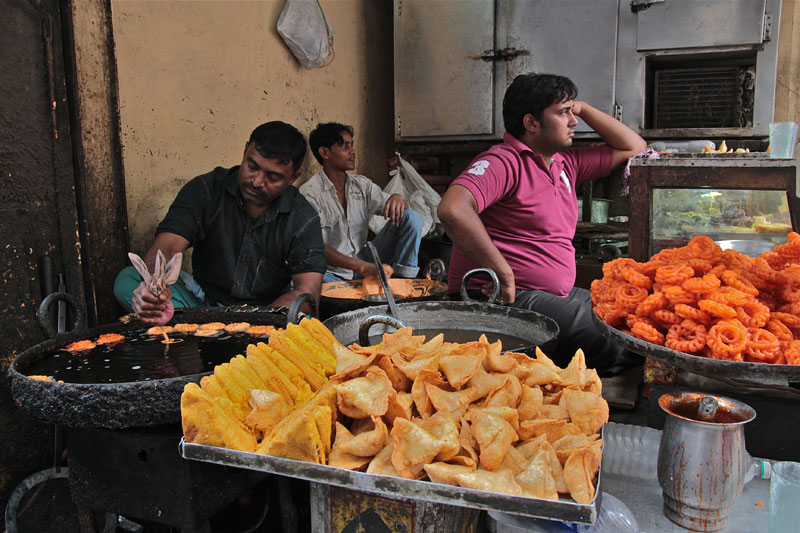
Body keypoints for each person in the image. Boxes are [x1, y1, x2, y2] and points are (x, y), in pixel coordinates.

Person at [437, 73, 647, 371]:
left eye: (572, 113)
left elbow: (634, 148)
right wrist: (503, 272)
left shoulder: (565, 163)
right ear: (531, 123)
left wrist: (582, 107)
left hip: (556, 294)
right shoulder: (504, 161)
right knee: (605, 336)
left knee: (636, 317)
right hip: (502, 297)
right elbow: (453, 210)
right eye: (563, 113)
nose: (573, 122)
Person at [114, 121, 326, 324]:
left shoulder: (303, 219)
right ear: (245, 151)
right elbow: (167, 246)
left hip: (265, 312)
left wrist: (255, 322)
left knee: (302, 320)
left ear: (293, 177)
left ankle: (197, 331)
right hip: (200, 303)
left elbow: (307, 292)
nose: (257, 181)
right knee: (129, 280)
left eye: (273, 177)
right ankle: (197, 326)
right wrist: (152, 288)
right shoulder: (205, 190)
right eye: (252, 166)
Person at [299, 122, 424, 282]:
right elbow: (314, 247)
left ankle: (404, 284)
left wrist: (398, 198)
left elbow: (399, 209)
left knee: (412, 217)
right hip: (332, 274)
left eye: (352, 145)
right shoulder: (310, 193)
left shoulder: (362, 185)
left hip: (366, 262)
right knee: (306, 278)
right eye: (345, 147)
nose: (353, 152)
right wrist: (360, 267)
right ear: (325, 152)